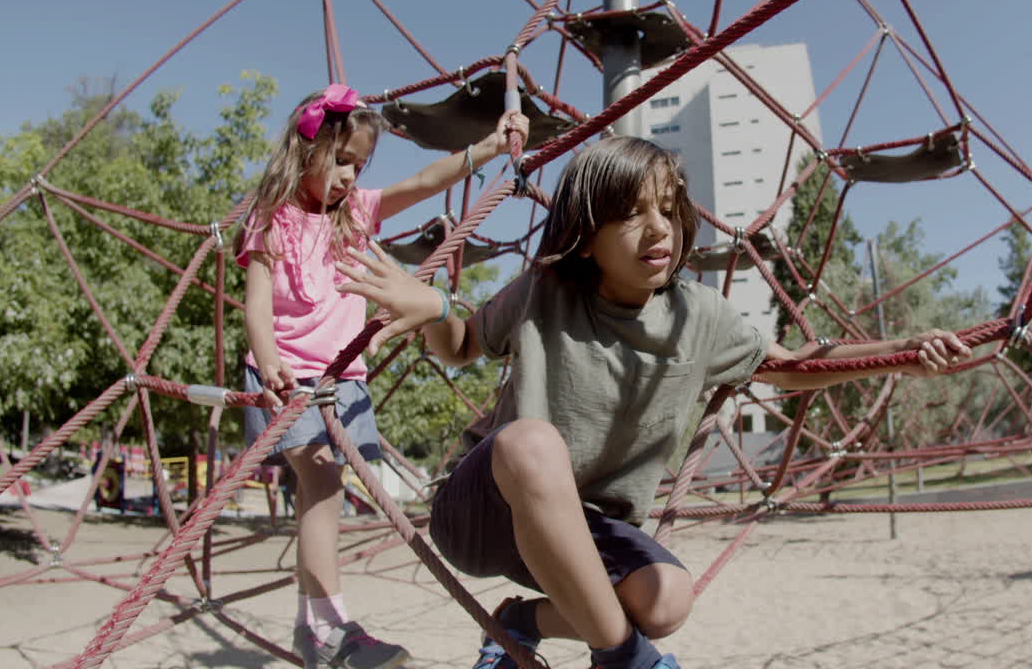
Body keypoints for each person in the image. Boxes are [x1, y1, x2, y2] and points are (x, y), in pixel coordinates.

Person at [336, 136, 971, 669]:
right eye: (631, 214)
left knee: (667, 599)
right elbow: (462, 345)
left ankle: (522, 621)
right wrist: (436, 308)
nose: (659, 227)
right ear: (586, 237)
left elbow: (789, 367)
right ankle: (626, 660)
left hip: (585, 529)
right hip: (484, 510)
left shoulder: (701, 316)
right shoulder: (546, 290)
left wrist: (901, 352)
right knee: (531, 441)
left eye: (668, 209)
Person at [237, 83, 528, 669]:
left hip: (344, 381)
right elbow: (257, 302)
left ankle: (312, 627)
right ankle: (329, 629)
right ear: (305, 148)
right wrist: (267, 360)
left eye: (359, 165)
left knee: (323, 494)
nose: (349, 176)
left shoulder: (355, 214)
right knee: (321, 486)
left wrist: (490, 148)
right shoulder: (272, 218)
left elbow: (421, 183)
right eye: (340, 160)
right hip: (290, 378)